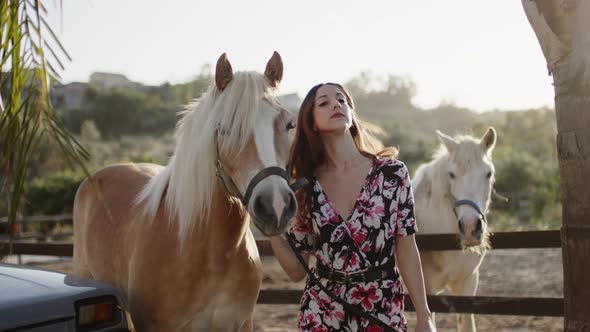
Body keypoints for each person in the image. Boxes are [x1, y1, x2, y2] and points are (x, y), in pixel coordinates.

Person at [270, 83, 436, 332]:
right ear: (312, 122)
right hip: (322, 311)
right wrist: (272, 228)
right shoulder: (306, 187)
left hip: (381, 306)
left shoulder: (392, 174)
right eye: (323, 103)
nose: (336, 104)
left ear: (351, 112)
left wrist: (424, 314)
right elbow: (295, 271)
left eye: (342, 100)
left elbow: (406, 248)